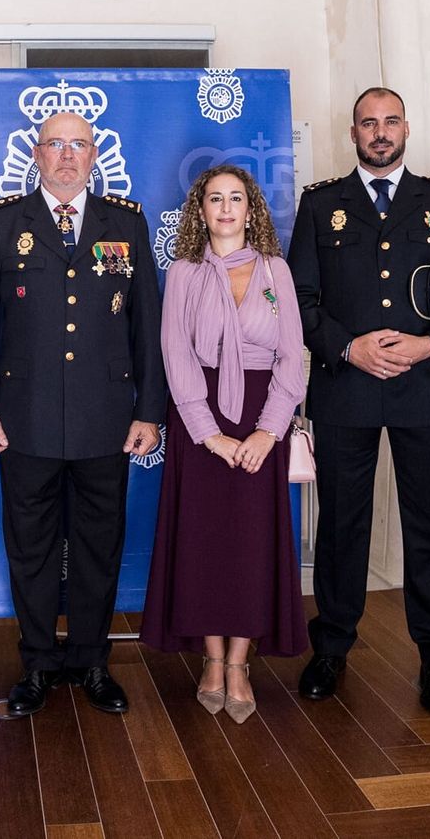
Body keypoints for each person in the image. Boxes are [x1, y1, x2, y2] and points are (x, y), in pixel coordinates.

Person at [286, 87, 430, 715]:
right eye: (367, 124)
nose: (379, 133)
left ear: (407, 126)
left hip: (426, 392)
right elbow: (299, 298)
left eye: (389, 122)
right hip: (346, 390)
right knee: (342, 526)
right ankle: (330, 647)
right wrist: (347, 348)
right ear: (351, 132)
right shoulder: (321, 204)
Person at [0, 112, 166, 717]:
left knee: (99, 545)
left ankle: (91, 660)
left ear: (95, 151)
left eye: (79, 144)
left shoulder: (124, 223)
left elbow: (146, 326)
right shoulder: (3, 224)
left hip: (107, 418)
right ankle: (36, 663)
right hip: (22, 417)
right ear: (36, 152)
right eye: (55, 144)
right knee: (30, 547)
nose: (67, 155)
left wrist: (149, 411)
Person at [139, 164, 307, 723]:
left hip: (263, 419)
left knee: (251, 545)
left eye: (237, 198)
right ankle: (212, 660)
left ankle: (241, 663)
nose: (227, 208)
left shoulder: (275, 270)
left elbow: (292, 356)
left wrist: (267, 429)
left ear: (252, 208)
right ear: (201, 210)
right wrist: (208, 434)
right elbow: (175, 353)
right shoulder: (184, 272)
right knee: (204, 544)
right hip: (200, 423)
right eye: (216, 198)